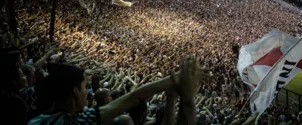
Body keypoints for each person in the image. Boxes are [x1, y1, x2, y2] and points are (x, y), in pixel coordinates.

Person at [28, 59, 207, 125]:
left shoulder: (35, 120)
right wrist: (176, 81)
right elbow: (132, 97)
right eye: (84, 87)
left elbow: (132, 97)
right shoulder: (77, 120)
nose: (87, 93)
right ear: (74, 92)